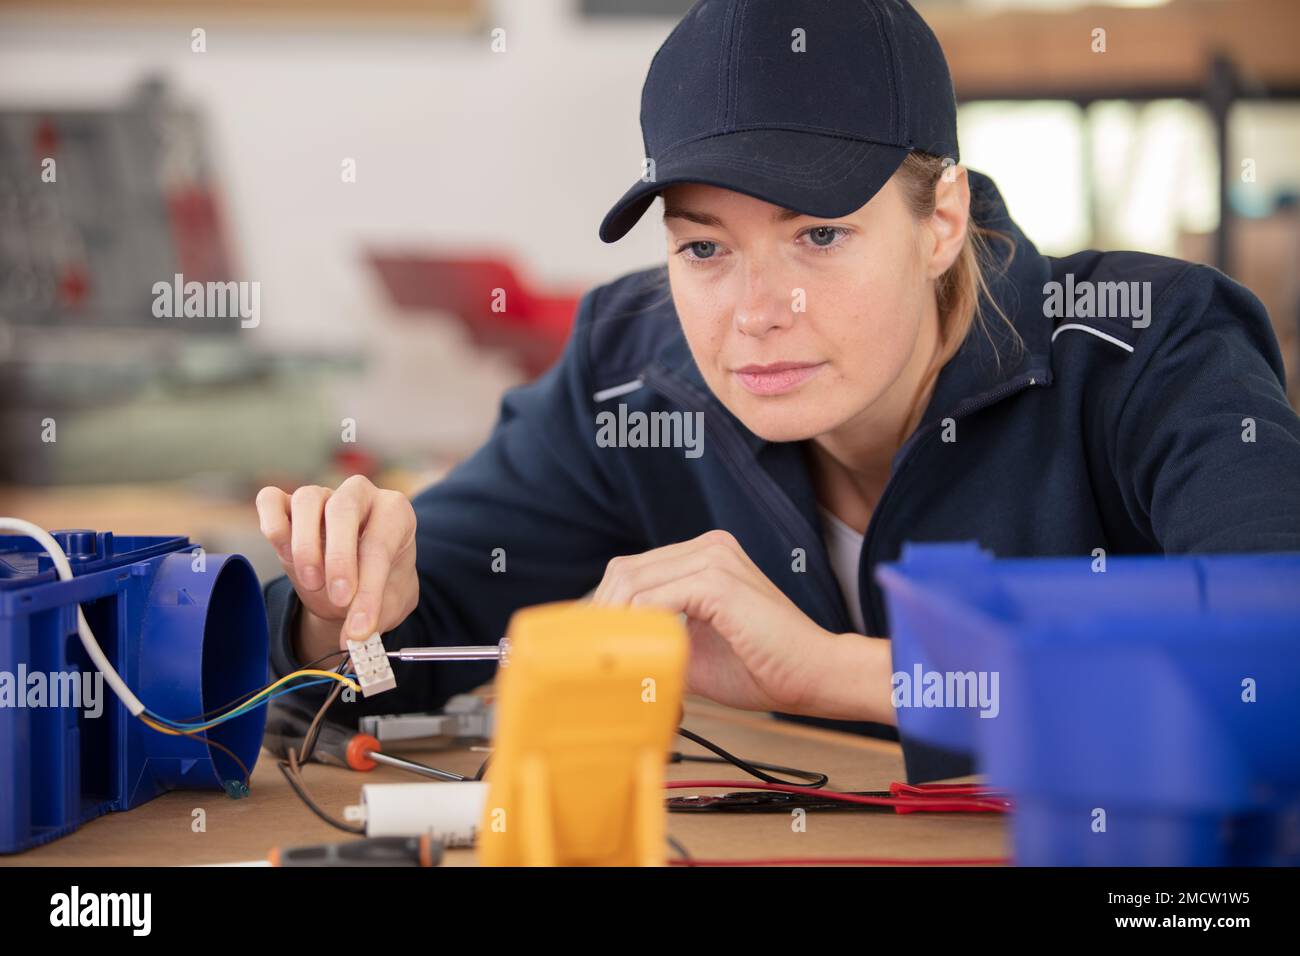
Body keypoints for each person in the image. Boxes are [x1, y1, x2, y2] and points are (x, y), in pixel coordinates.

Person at [255, 0, 1300, 782]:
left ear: (940, 218)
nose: (757, 309)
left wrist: (831, 670)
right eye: (705, 246)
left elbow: (1275, 666)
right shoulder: (632, 371)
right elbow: (381, 669)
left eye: (820, 234)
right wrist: (339, 618)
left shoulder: (1150, 345)